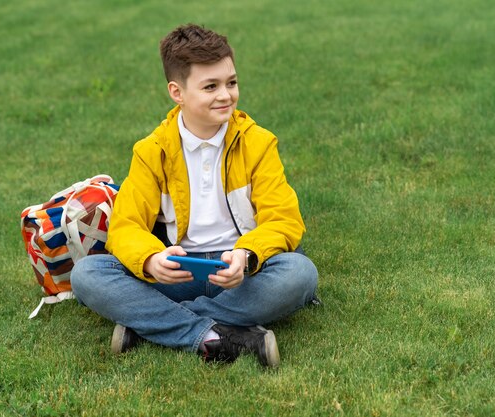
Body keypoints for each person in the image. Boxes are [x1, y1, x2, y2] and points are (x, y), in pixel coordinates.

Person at [70, 23, 318, 368]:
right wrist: (151, 260)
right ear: (177, 92)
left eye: (231, 83)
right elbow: (125, 227)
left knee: (300, 274)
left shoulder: (258, 143)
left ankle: (150, 326)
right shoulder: (151, 151)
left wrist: (247, 254)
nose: (226, 95)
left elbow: (283, 220)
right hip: (178, 271)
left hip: (240, 274)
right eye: (211, 86)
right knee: (87, 275)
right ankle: (216, 333)